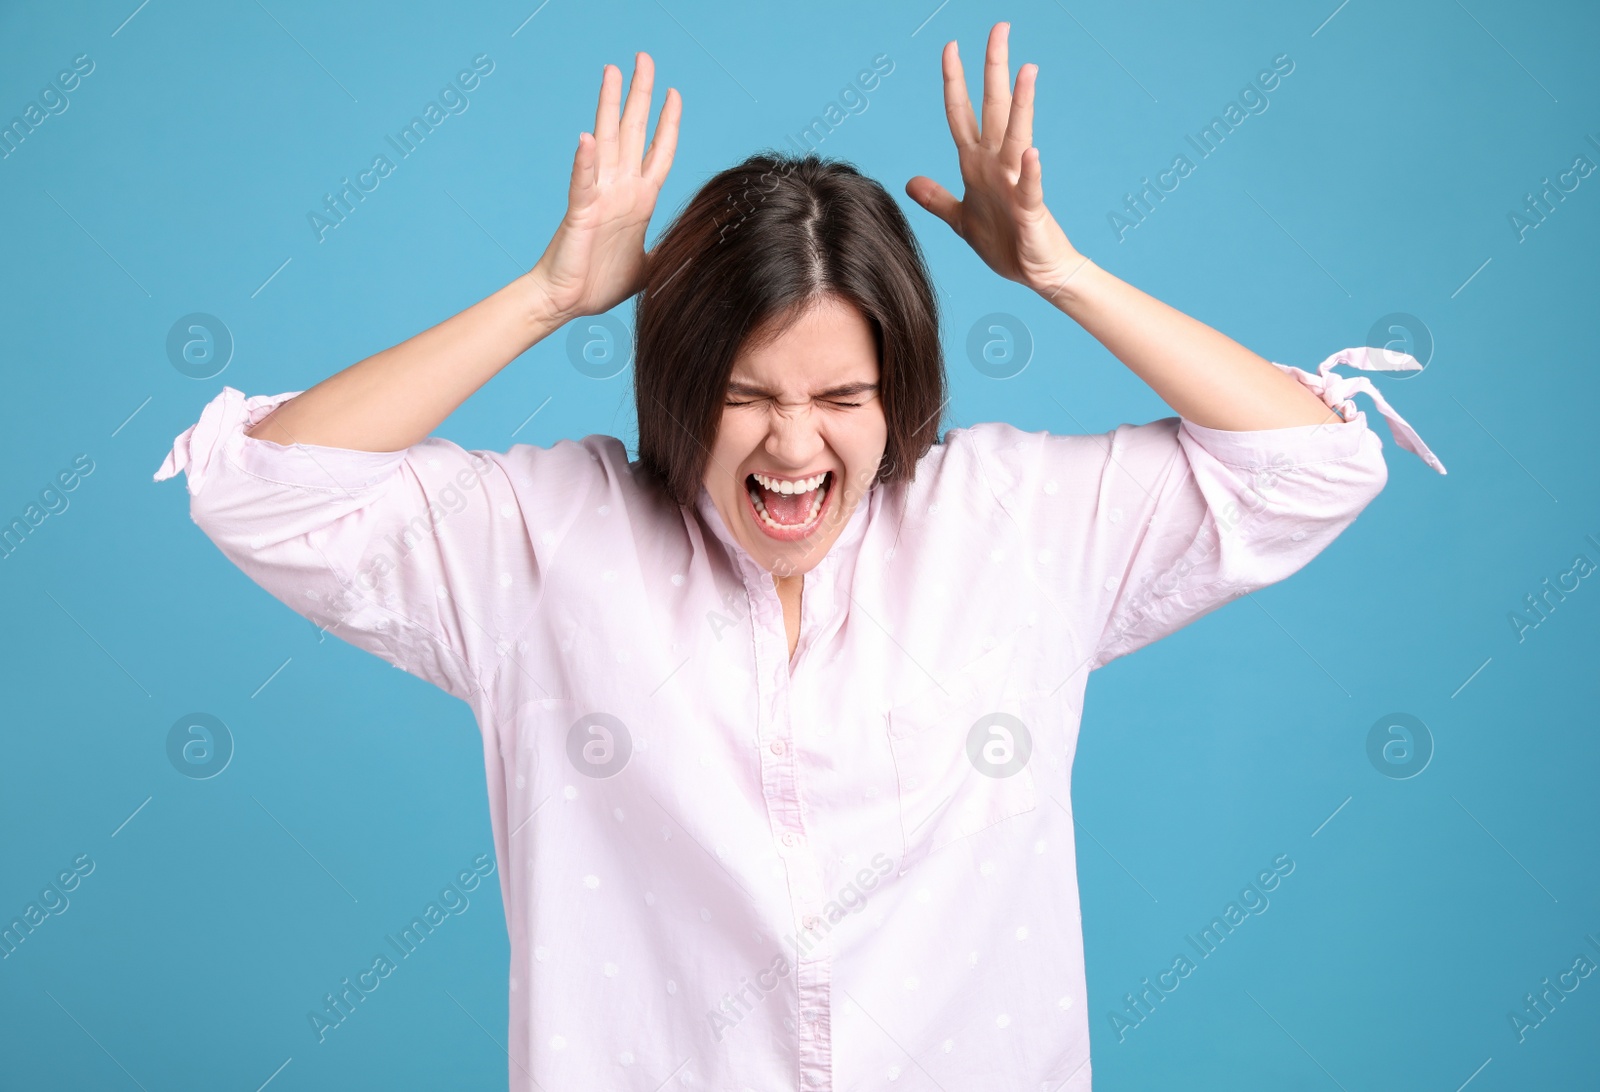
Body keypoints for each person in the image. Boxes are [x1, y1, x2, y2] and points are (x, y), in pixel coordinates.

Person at [153, 23, 1445, 1091]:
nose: (793, 445)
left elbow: (1318, 462)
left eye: (842, 398)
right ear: (677, 381)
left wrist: (1058, 270)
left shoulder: (1013, 524)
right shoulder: (543, 544)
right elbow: (264, 489)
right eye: (746, 392)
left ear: (904, 392)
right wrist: (545, 294)